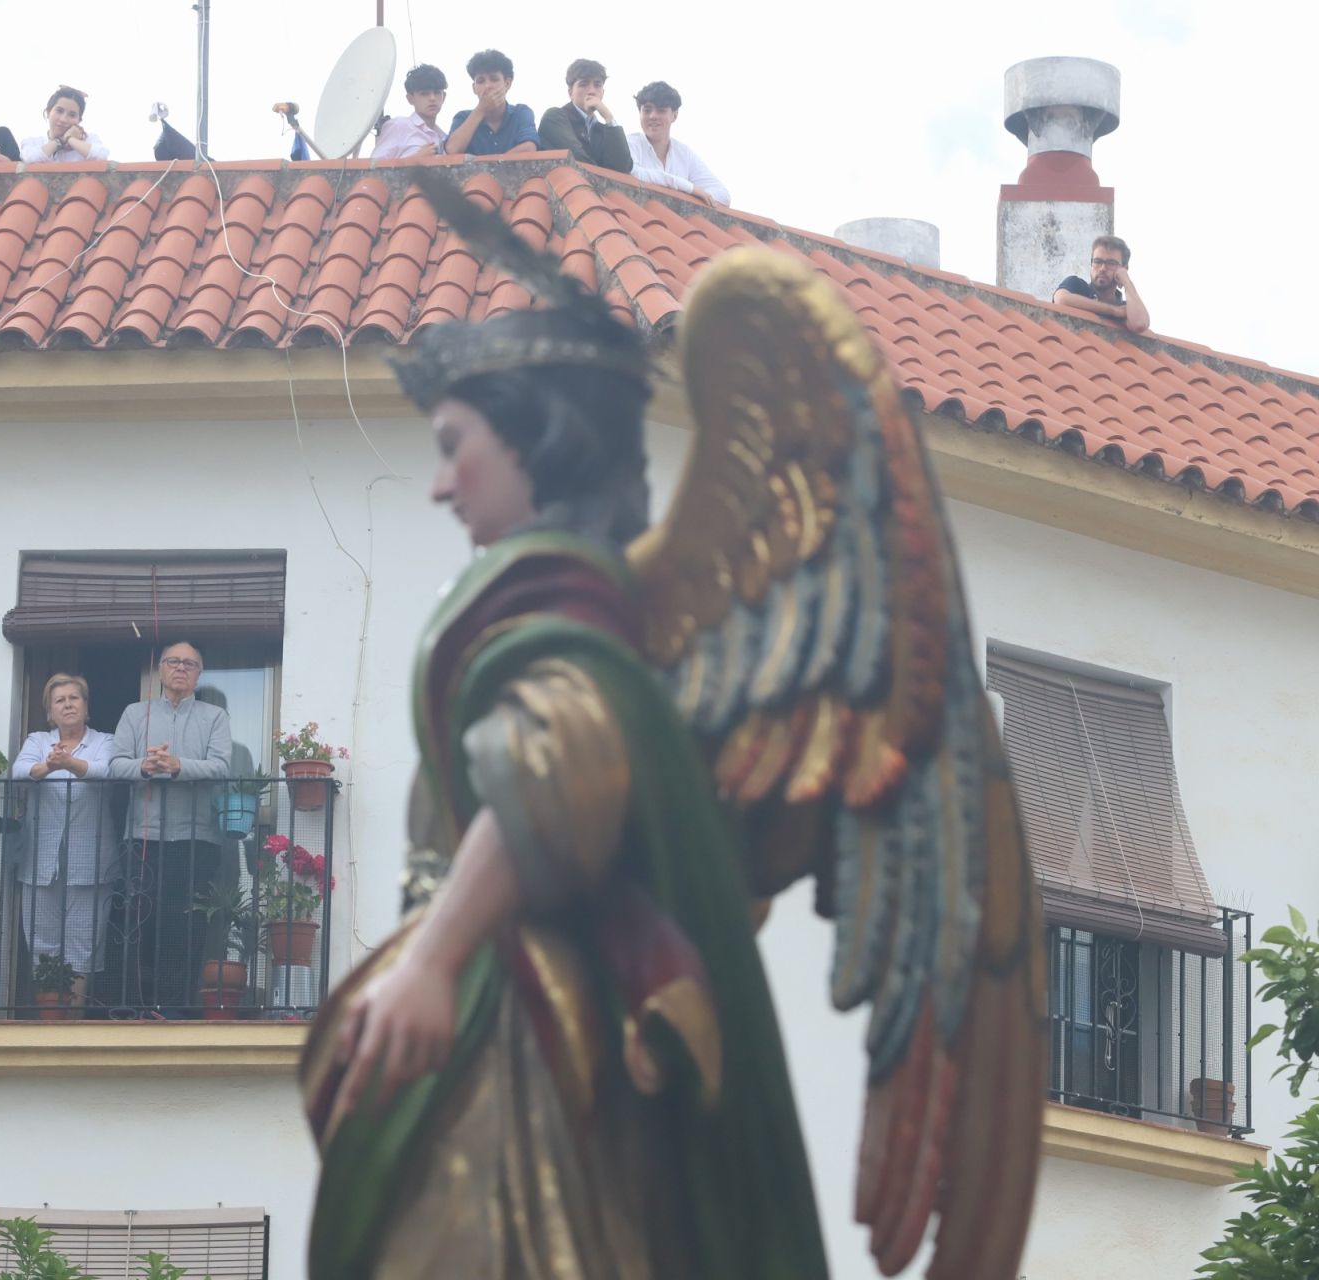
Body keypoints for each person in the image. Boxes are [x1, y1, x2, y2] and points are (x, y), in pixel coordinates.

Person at [297, 174, 1045, 1280]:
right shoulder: (565, 610)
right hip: (551, 1016)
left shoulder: (575, 628)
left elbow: (554, 784)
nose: (441, 485)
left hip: (537, 1048)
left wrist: (435, 956)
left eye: (458, 445)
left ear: (537, 441)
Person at [106, 641, 232, 1013]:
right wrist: (144, 767)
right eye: (174, 662)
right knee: (137, 925)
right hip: (142, 836)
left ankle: (175, 1008)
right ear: (160, 669)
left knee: (185, 929)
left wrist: (177, 766)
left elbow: (222, 767)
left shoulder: (215, 717)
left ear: (199, 674)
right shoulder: (135, 713)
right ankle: (135, 1007)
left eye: (190, 664)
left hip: (196, 839)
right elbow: (115, 765)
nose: (181, 668)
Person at [10, 674, 119, 1005]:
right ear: (49, 713)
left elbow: (109, 771)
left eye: (75, 698)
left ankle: (73, 1025)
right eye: (60, 700)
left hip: (91, 861)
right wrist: (48, 766)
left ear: (87, 708)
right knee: (42, 945)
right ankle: (49, 1028)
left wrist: (68, 763)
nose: (68, 704)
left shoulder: (105, 741)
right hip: (40, 861)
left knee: (82, 947)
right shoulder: (38, 740)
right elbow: (18, 771)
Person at [627, 80, 730, 206]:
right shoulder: (630, 143)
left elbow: (723, 195)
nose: (653, 116)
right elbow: (634, 173)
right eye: (647, 110)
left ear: (674, 116)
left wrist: (690, 200)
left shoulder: (684, 153)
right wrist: (689, 188)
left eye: (661, 110)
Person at [537, 58, 632, 174]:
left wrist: (609, 117)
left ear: (603, 92)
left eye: (597, 85)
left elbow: (623, 170)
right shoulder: (554, 118)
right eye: (584, 84)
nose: (591, 91)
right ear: (570, 92)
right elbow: (577, 160)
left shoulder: (604, 131)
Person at [444, 50, 540, 157]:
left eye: (494, 79)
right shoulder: (462, 117)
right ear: (474, 88)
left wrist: (490, 169)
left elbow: (529, 147)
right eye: (481, 81)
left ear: (507, 84)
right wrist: (481, 109)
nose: (487, 86)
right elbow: (451, 150)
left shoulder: (521, 112)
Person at [1053, 234, 1150, 333]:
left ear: (1124, 269)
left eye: (1111, 263)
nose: (1103, 268)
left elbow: (1139, 324)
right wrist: (1114, 311)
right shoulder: (1077, 285)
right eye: (1098, 262)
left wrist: (1126, 281)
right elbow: (1061, 299)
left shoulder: (1125, 309)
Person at [373, 64, 450, 160]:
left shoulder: (443, 137)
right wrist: (415, 159)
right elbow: (375, 168)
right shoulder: (399, 126)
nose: (432, 98)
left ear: (444, 97)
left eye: (437, 92)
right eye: (424, 94)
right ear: (410, 99)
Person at [21, 85, 110, 164]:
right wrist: (59, 142)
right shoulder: (33, 142)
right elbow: (29, 159)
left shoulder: (89, 140)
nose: (63, 119)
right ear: (48, 112)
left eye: (72, 115)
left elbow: (102, 156)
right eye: (59, 111)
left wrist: (70, 139)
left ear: (79, 120)